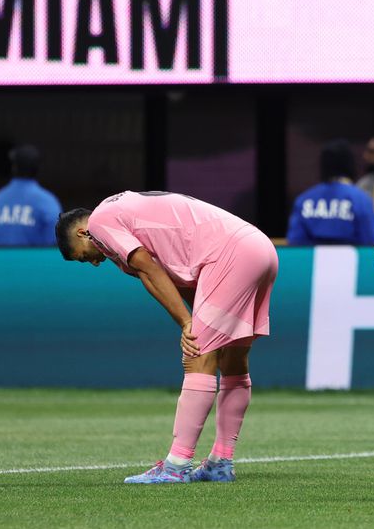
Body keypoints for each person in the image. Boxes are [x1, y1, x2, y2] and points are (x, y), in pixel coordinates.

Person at [55, 191, 278, 484]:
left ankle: (177, 465)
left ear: (84, 233)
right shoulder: (121, 213)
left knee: (197, 354)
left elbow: (147, 267)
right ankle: (220, 462)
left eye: (83, 257)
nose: (93, 264)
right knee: (232, 359)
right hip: (259, 248)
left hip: (229, 255)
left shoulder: (100, 222)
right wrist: (193, 318)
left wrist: (188, 323)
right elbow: (178, 280)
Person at [286, 139, 374, 245]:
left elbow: (295, 242)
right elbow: (371, 242)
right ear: (350, 164)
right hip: (353, 261)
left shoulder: (304, 200)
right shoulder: (362, 200)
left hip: (311, 261)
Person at [0, 144, 62, 246]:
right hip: (36, 262)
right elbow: (56, 246)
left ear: (13, 167)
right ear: (37, 168)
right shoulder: (48, 202)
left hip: (0, 262)